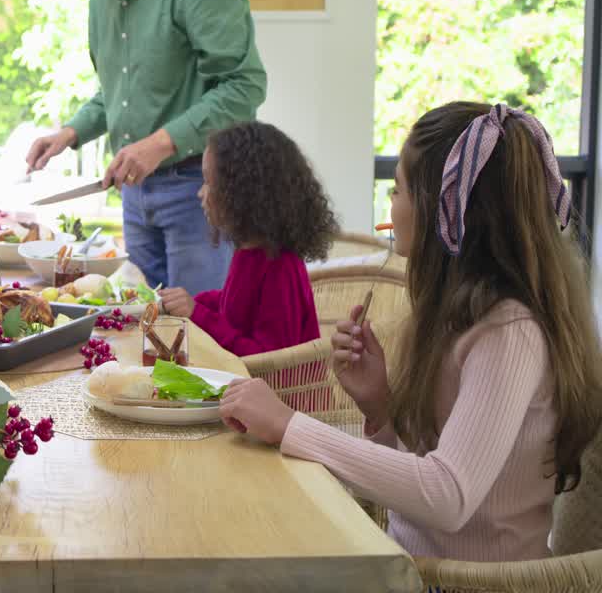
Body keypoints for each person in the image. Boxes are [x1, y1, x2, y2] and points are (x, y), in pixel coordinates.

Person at [218, 102, 602, 561]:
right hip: (409, 566)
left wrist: (288, 425)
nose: (391, 206)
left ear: (446, 208)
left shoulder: (510, 332)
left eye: (398, 190)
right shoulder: (459, 316)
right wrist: (379, 407)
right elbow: (425, 473)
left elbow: (447, 496)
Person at [26, 0, 266, 295]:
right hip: (135, 196)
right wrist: (70, 132)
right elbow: (118, 93)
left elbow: (242, 88)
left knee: (199, 335)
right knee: (144, 333)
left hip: (199, 192)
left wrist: (160, 144)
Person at [158, 121, 337, 356]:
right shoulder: (249, 252)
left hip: (284, 392)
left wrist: (198, 314)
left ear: (241, 191)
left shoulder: (280, 267)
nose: (200, 192)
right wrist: (196, 302)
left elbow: (268, 360)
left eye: (209, 182)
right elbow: (236, 307)